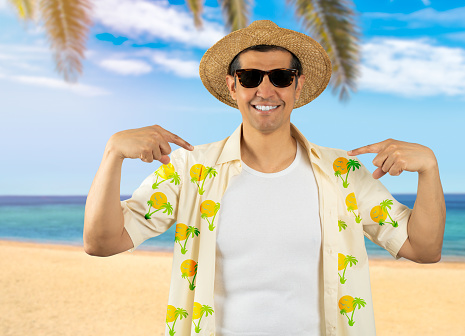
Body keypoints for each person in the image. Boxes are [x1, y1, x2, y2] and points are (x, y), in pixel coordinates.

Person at [84, 20, 445, 336]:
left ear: (297, 87)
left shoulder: (343, 174)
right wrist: (112, 153)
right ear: (233, 86)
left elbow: (423, 249)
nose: (266, 90)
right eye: (251, 77)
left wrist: (428, 169)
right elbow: (102, 242)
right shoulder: (190, 171)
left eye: (281, 77)